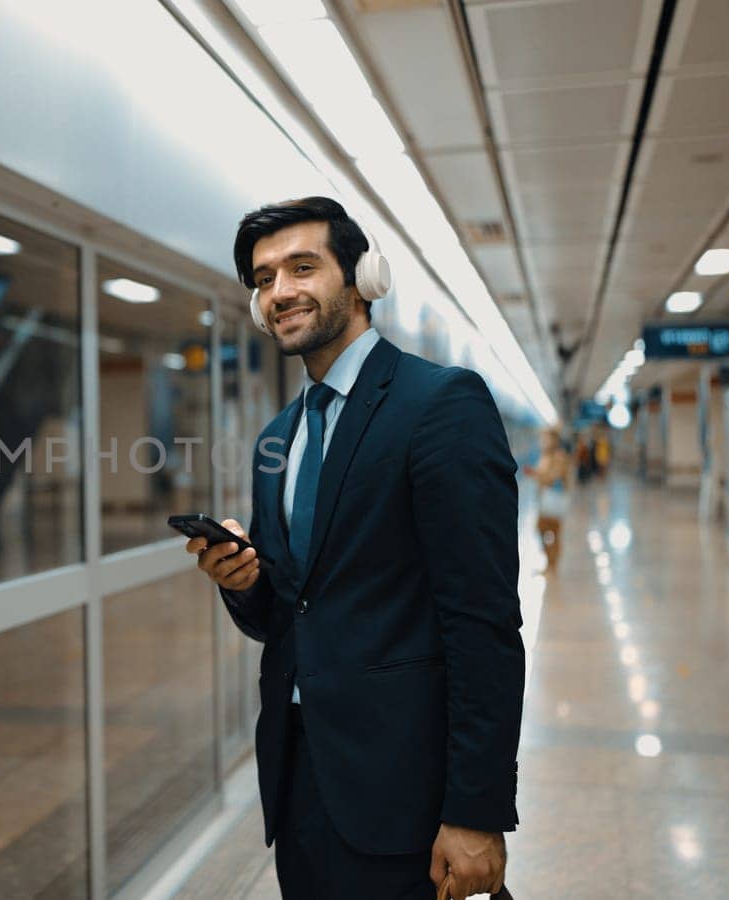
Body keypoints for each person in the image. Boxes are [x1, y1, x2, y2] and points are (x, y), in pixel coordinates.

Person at [183, 197, 523, 899]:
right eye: (264, 277)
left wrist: (476, 811)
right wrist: (241, 580)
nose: (281, 292)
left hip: (405, 788)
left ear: (364, 277)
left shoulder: (440, 404)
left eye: (302, 267)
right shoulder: (278, 437)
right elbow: (288, 612)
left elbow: (482, 620)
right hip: (298, 780)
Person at [523, 428, 571, 571]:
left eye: (546, 438)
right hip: (546, 500)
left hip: (554, 500)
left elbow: (553, 477)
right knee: (543, 530)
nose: (543, 442)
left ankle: (552, 564)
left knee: (553, 532)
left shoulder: (559, 456)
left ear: (555, 440)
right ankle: (550, 563)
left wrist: (537, 475)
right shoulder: (545, 455)